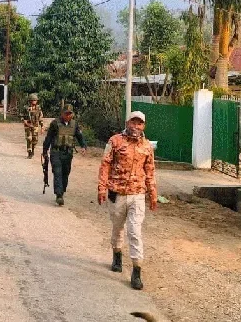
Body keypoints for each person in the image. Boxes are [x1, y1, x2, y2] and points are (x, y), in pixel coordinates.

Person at [98, 111, 157, 291]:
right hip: (117, 193)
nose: (136, 126)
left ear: (143, 126)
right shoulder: (115, 141)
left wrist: (153, 193)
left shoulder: (147, 146)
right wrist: (101, 187)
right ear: (127, 123)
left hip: (137, 194)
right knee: (118, 227)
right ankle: (117, 254)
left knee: (134, 231)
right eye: (133, 122)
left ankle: (136, 271)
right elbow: (105, 164)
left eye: (139, 123)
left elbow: (150, 171)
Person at [41, 104, 87, 206]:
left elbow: (79, 136)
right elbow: (48, 138)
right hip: (56, 152)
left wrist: (83, 146)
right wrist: (45, 151)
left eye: (70, 114)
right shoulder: (55, 123)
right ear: (62, 113)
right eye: (66, 113)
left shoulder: (74, 124)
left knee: (65, 173)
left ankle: (62, 191)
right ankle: (59, 195)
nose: (68, 115)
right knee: (57, 172)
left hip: (68, 153)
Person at [22, 93, 45, 159]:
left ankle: (33, 150)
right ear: (30, 101)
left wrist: (42, 126)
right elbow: (21, 116)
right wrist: (25, 121)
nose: (35, 101)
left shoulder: (38, 108)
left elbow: (40, 117)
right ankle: (29, 152)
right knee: (29, 139)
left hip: (35, 125)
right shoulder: (26, 108)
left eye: (35, 100)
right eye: (33, 100)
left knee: (35, 140)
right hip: (28, 125)